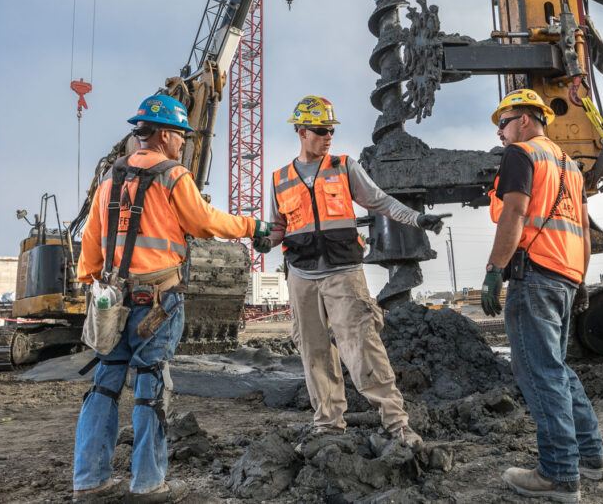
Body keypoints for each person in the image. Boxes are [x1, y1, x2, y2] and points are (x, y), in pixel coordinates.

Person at [72, 94, 269, 503]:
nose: (184, 142)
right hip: (157, 302)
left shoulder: (110, 178)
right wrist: (253, 226)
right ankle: (148, 483)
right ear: (164, 135)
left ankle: (89, 481)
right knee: (151, 383)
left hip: (111, 302)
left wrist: (95, 283)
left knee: (104, 383)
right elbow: (204, 222)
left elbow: (91, 238)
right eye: (181, 135)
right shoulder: (173, 175)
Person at [253, 95, 447, 448]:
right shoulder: (280, 178)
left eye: (331, 130)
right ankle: (328, 425)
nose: (328, 136)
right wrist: (266, 241)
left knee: (362, 346)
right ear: (301, 132)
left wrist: (417, 218)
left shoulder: (344, 166)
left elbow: (380, 201)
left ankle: (396, 424)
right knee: (313, 352)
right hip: (301, 276)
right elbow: (278, 226)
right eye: (321, 130)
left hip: (344, 273)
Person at [480, 89, 603, 503]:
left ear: (524, 120)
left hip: (534, 274)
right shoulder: (570, 165)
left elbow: (515, 212)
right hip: (565, 276)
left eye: (503, 122)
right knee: (558, 370)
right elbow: (584, 230)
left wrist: (494, 269)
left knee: (540, 373)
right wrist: (580, 279)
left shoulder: (521, 154)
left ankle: (559, 475)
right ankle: (591, 458)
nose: (500, 132)